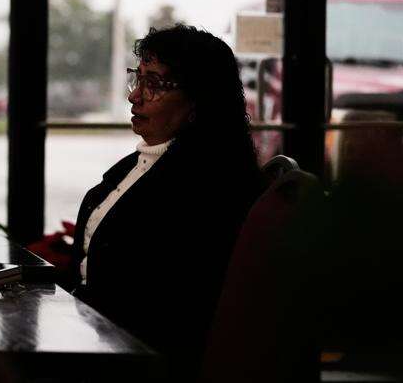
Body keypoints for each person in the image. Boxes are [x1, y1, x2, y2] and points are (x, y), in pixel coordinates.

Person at [70, 24, 264, 379]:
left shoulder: (209, 187)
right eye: (138, 78)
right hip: (96, 333)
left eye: (154, 84)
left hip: (136, 359)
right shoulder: (142, 163)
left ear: (198, 101)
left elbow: (161, 304)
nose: (135, 96)